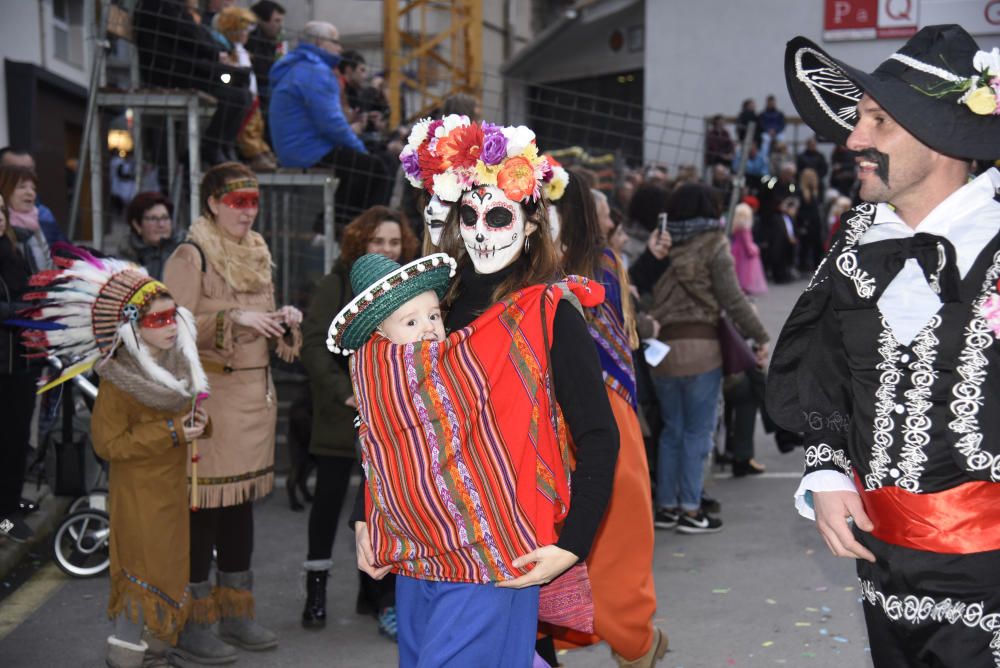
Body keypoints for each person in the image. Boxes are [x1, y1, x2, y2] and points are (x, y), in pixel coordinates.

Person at [767, 25, 1000, 667]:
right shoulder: (858, 241)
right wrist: (826, 466)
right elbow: (822, 368)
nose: (853, 139)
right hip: (882, 575)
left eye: (877, 121)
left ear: (943, 136)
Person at [351, 115, 619, 667]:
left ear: (528, 225)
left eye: (499, 216)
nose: (479, 231)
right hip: (421, 545)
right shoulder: (429, 309)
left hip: (500, 545)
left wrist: (572, 544)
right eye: (468, 215)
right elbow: (391, 427)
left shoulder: (550, 315)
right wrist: (367, 515)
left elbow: (598, 435)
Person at [23, 251, 209, 667]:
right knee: (142, 576)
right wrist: (172, 432)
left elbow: (188, 421)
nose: (167, 326)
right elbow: (108, 444)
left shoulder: (181, 366)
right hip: (139, 496)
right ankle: (124, 654)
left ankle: (158, 649)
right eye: (155, 320)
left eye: (171, 316)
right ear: (134, 327)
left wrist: (197, 421)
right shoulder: (119, 379)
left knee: (171, 570)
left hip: (172, 495)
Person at [163, 162, 302, 663]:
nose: (248, 212)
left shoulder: (257, 251)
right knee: (203, 511)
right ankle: (192, 622)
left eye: (253, 201)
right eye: (237, 202)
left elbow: (266, 329)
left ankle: (235, 613)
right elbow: (167, 327)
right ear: (212, 204)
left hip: (253, 401)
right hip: (209, 400)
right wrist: (230, 318)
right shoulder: (191, 253)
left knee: (240, 509)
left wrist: (284, 320)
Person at [549, 172, 668, 667]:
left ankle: (634, 643)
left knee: (615, 540)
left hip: (599, 410)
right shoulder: (520, 263)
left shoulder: (600, 264)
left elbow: (606, 339)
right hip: (546, 417)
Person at [298, 206, 415, 635]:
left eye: (394, 242)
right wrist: (344, 392)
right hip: (339, 417)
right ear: (360, 242)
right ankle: (315, 592)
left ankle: (380, 599)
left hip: (388, 421)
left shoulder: (407, 287)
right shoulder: (337, 283)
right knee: (327, 507)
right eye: (377, 241)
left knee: (381, 510)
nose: (387, 248)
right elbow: (313, 347)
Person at [648, 183, 770, 533]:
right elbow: (732, 299)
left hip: (662, 353)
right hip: (703, 351)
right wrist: (760, 336)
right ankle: (690, 508)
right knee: (698, 433)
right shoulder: (714, 245)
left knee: (671, 431)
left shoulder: (660, 244)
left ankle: (667, 506)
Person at [268, 21, 389, 222]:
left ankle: (336, 223)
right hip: (307, 150)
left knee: (365, 164)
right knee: (375, 168)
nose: (340, 48)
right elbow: (330, 123)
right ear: (318, 42)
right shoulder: (315, 71)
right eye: (335, 42)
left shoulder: (299, 66)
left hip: (296, 147)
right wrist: (358, 147)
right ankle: (356, 228)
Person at [133, 0, 254, 166]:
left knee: (239, 86)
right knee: (235, 90)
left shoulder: (173, 7)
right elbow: (189, 34)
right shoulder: (160, 5)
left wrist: (216, 53)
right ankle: (212, 146)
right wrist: (216, 54)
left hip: (186, 68)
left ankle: (221, 145)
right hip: (172, 73)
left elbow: (195, 34)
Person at [0, 193, 39, 544]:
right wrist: (15, 311)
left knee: (15, 443)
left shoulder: (13, 252)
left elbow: (30, 295)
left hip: (21, 364)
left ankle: (8, 515)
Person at [214, 6, 278, 172]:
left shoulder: (244, 52)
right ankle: (253, 153)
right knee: (246, 129)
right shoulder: (228, 50)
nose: (246, 34)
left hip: (252, 96)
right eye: (243, 30)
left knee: (257, 126)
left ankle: (260, 150)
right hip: (243, 95)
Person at [0, 148, 65, 245]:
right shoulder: (3, 220)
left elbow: (62, 247)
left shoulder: (43, 213)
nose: (24, 174)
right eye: (14, 170)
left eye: (29, 169)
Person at [117, 192, 182, 280]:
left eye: (165, 217)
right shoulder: (127, 255)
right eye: (153, 219)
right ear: (137, 225)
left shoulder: (184, 249)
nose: (161, 224)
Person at [0, 166, 52, 272]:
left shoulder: (38, 221)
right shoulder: (5, 233)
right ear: (6, 190)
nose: (30, 192)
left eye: (33, 188)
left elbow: (48, 262)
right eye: (22, 187)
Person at [247, 0, 285, 128]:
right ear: (261, 20)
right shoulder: (252, 39)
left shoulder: (271, 41)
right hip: (258, 87)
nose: (280, 25)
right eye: (276, 21)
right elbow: (261, 70)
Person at [730, 202, 767, 296]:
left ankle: (738, 287)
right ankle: (744, 287)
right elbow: (747, 244)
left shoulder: (736, 227)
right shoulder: (745, 229)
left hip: (735, 250)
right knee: (745, 271)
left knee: (737, 270)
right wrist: (755, 249)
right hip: (744, 252)